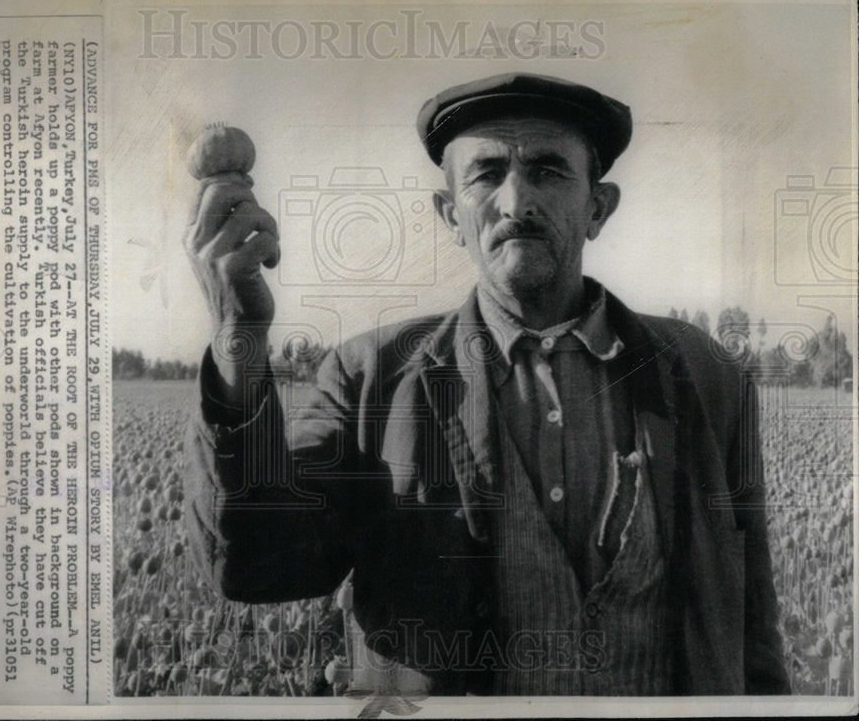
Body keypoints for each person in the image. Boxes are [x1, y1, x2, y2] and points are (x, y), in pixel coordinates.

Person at [181, 72, 790, 695]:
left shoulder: (706, 376)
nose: (516, 200)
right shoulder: (371, 380)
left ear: (598, 209)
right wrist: (240, 335)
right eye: (486, 174)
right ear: (450, 214)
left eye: (549, 171)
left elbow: (751, 627)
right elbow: (257, 563)